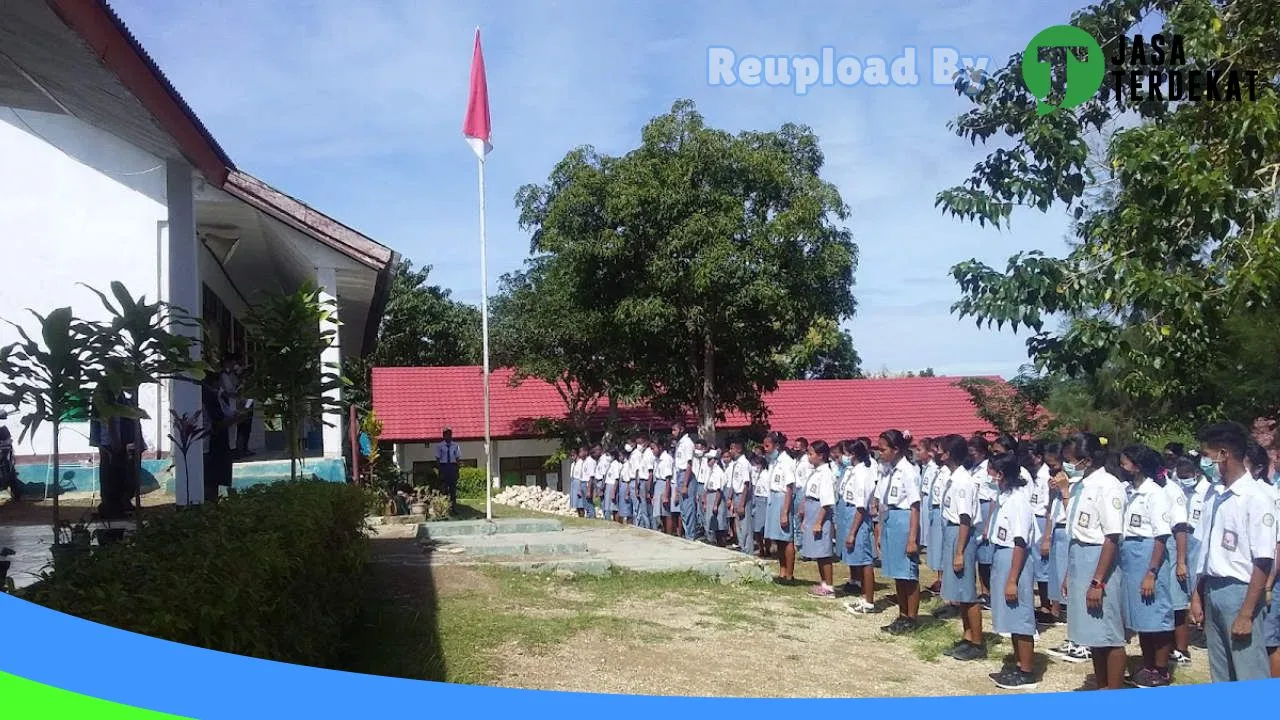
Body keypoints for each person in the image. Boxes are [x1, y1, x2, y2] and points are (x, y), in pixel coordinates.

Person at [1191, 421, 1276, 683]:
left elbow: (1263, 560)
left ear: (1224, 454)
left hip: (1240, 592)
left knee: (1249, 671)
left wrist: (1246, 613)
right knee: (1221, 672)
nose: (1204, 462)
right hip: (1212, 589)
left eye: (1207, 455)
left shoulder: (1256, 497)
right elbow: (1203, 551)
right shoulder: (1214, 495)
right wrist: (1196, 595)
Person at [1061, 433, 1127, 690]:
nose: (1067, 463)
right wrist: (1070, 572)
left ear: (1087, 459)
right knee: (1093, 633)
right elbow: (1076, 531)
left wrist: (1097, 582)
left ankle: (1114, 690)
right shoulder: (1081, 485)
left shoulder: (1108, 486)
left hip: (1099, 560)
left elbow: (1111, 536)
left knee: (1109, 633)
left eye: (1071, 459)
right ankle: (1102, 686)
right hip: (1081, 556)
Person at [1118, 444, 1176, 688]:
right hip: (1131, 554)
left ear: (1138, 466)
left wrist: (1151, 572)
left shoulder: (1155, 493)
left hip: (1148, 553)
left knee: (1156, 614)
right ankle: (1148, 663)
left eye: (1126, 463)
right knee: (1142, 616)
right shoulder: (1131, 491)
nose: (1122, 467)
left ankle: (1161, 670)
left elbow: (1161, 536)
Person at [986, 452, 1040, 689]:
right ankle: (1018, 663)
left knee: (1020, 617)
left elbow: (1020, 542)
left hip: (1014, 559)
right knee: (1010, 615)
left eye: (993, 473)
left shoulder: (1019, 501)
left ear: (1002, 474)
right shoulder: (1005, 496)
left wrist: (1012, 580)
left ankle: (1027, 671)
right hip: (1002, 555)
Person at [939, 433, 984, 659]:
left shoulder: (963, 482)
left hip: (961, 534)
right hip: (952, 531)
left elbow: (965, 518)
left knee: (967, 592)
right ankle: (967, 636)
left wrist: (959, 552)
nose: (939, 454)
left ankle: (977, 642)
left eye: (942, 450)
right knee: (959, 591)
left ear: (949, 454)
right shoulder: (953, 478)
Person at [878, 429, 922, 635]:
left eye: (883, 449)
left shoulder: (908, 471)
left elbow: (915, 506)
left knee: (908, 572)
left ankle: (912, 618)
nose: (880, 453)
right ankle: (902, 614)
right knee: (897, 572)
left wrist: (912, 538)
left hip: (904, 519)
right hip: (891, 518)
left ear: (896, 450)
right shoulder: (889, 469)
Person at [1171, 456, 1209, 666]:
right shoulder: (1181, 489)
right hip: (1184, 538)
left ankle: (1203, 627)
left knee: (1198, 582)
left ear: (1197, 473)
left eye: (1187, 476)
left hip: (1199, 538)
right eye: (1181, 477)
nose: (1184, 480)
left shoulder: (1206, 491)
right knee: (1186, 584)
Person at [842, 439, 879, 614]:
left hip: (859, 516)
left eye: (846, 453)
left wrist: (852, 533)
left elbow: (861, 505)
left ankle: (869, 600)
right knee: (858, 558)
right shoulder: (855, 471)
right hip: (850, 511)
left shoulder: (862, 473)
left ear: (853, 455)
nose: (844, 457)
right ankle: (864, 597)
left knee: (865, 560)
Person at [799, 440, 838, 597]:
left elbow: (826, 502)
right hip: (811, 510)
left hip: (819, 512)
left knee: (824, 551)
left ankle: (829, 587)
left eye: (811, 454)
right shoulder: (815, 472)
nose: (809, 457)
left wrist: (818, 522)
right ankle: (823, 583)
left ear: (821, 455)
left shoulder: (826, 473)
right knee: (817, 551)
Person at [763, 431, 798, 583]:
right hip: (773, 498)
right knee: (778, 539)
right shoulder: (773, 462)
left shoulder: (787, 462)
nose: (765, 448)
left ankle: (789, 574)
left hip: (782, 499)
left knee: (786, 538)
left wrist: (785, 512)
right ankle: (782, 571)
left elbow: (789, 488)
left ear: (777, 446)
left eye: (768, 445)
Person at [1025, 442, 1054, 621]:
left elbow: (1047, 504)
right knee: (1035, 564)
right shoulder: (1032, 475)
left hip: (1041, 518)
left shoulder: (1044, 475)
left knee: (1043, 565)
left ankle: (1047, 605)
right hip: (1033, 517)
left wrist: (1046, 535)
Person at [969, 435, 995, 609]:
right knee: (979, 555)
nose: (972, 455)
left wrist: (988, 524)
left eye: (974, 452)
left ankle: (990, 592)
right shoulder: (973, 468)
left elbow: (993, 496)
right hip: (976, 508)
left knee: (987, 556)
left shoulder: (988, 468)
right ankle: (983, 590)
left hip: (986, 508)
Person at [729, 441, 753, 554]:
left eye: (732, 449)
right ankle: (742, 546)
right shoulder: (736, 463)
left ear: (738, 449)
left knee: (745, 525)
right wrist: (731, 499)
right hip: (736, 496)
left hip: (743, 497)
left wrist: (742, 504)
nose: (730, 451)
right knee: (738, 524)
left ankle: (748, 550)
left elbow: (746, 484)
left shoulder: (744, 463)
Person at [672, 424, 694, 537]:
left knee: (688, 508)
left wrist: (685, 484)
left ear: (681, 429)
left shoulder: (688, 443)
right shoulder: (679, 443)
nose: (673, 432)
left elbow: (689, 464)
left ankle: (691, 535)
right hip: (679, 474)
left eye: (675, 430)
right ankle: (687, 534)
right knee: (683, 509)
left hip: (686, 475)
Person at [435, 428, 462, 514]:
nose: (449, 436)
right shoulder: (440, 445)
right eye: (446, 434)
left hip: (452, 467)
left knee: (453, 489)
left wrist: (457, 470)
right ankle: (445, 508)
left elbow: (457, 458)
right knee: (444, 489)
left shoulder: (455, 445)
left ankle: (454, 508)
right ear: (443, 436)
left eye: (450, 434)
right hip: (444, 466)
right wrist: (440, 471)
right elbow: (438, 459)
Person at [750, 452, 771, 559]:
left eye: (757, 464)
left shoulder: (766, 475)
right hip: (756, 499)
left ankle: (767, 549)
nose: (755, 467)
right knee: (756, 528)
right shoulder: (756, 475)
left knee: (763, 527)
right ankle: (761, 548)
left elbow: (768, 491)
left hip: (764, 499)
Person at [654, 439, 674, 531]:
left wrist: (666, 494)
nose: (652, 451)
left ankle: (669, 533)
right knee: (660, 512)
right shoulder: (658, 459)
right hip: (658, 484)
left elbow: (668, 478)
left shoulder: (666, 459)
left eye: (654, 448)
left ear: (660, 447)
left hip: (664, 484)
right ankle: (663, 530)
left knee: (666, 512)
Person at [0, 411, 19, 502]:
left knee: (10, 475)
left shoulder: (3, 430)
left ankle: (16, 495)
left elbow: (9, 442)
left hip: (5, 459)